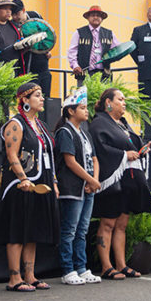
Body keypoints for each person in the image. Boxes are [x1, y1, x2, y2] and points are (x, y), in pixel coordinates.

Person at [0, 81, 59, 292]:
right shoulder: (15, 124)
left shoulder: (40, 125)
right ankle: (14, 278)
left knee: (33, 231)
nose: (42, 99)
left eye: (42, 95)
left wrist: (55, 182)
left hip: (41, 181)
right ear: (25, 100)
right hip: (19, 183)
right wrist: (23, 178)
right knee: (17, 230)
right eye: (38, 95)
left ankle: (30, 275)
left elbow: (47, 154)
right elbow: (11, 154)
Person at [90, 87, 151, 280]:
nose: (124, 102)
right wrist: (124, 155)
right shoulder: (99, 123)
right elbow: (101, 148)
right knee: (108, 222)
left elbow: (131, 144)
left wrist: (141, 150)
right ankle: (106, 266)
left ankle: (121, 264)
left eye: (124, 99)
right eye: (120, 99)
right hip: (111, 179)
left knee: (122, 224)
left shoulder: (123, 124)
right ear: (108, 103)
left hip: (128, 179)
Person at [54, 87, 102, 286]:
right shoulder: (65, 132)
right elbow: (70, 161)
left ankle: (81, 268)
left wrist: (94, 180)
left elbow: (94, 159)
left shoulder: (85, 133)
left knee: (82, 230)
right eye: (82, 107)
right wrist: (90, 180)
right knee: (69, 230)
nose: (86, 111)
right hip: (72, 188)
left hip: (87, 187)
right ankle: (68, 269)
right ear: (71, 111)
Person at [12, 0, 53, 98]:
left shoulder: (35, 16)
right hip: (27, 69)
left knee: (45, 98)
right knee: (31, 98)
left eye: (17, 14)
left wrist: (47, 49)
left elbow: (46, 33)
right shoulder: (12, 25)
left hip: (43, 65)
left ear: (23, 10)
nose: (15, 17)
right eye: (12, 15)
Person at [68, 5, 120, 80]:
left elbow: (117, 50)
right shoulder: (79, 32)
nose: (95, 17)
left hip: (104, 74)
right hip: (83, 74)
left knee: (105, 92)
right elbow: (72, 51)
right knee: (84, 92)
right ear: (88, 18)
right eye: (93, 15)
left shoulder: (109, 34)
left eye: (98, 15)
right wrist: (75, 65)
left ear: (102, 18)